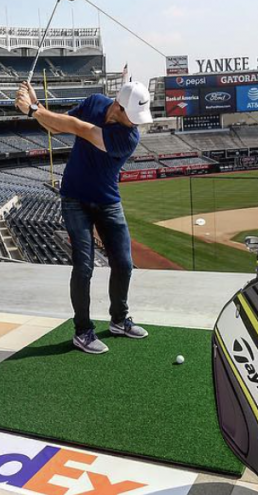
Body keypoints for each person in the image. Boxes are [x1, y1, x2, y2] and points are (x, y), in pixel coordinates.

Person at [15, 79, 154, 354]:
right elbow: (57, 126)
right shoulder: (94, 102)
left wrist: (32, 110)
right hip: (74, 198)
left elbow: (80, 129)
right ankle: (83, 331)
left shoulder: (128, 137)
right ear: (118, 106)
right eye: (133, 116)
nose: (136, 123)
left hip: (108, 201)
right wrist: (36, 105)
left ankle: (118, 319)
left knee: (124, 264)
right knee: (84, 266)